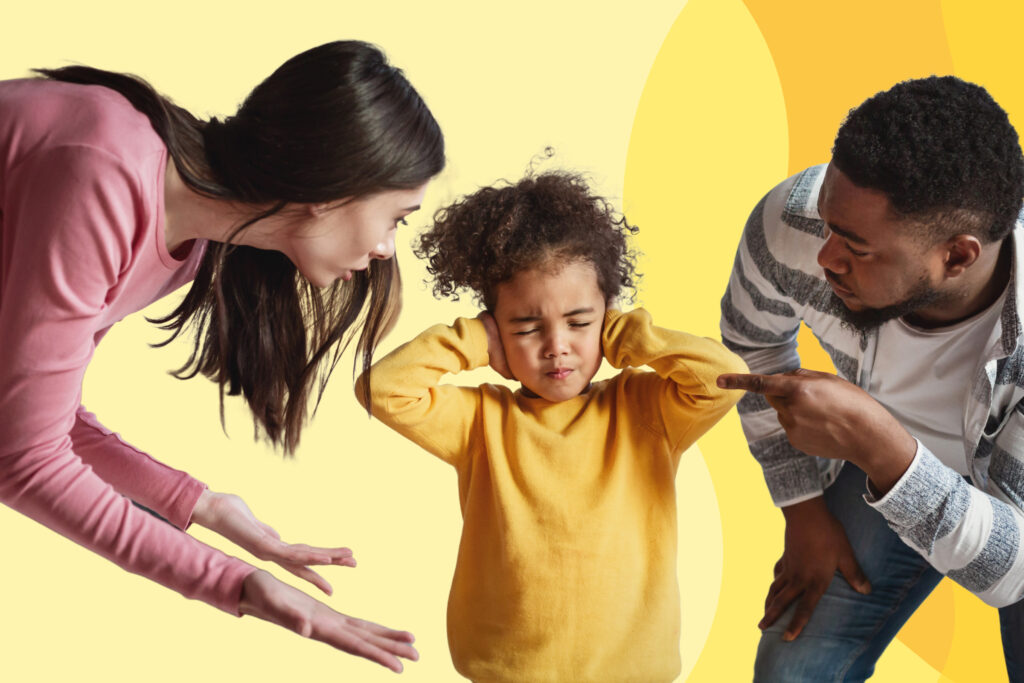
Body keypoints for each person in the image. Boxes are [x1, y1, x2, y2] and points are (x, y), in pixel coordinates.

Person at [0, 40, 444, 672]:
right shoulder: (106, 171)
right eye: (396, 217)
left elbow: (35, 416)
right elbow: (23, 458)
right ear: (331, 189)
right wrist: (238, 584)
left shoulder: (186, 242)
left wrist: (203, 505)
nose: (386, 249)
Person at [356, 170, 746, 682]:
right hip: (506, 671)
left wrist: (632, 337)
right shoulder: (481, 422)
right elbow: (382, 389)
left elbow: (725, 379)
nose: (556, 345)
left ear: (606, 319)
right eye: (526, 327)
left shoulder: (645, 412)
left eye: (580, 323)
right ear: (498, 328)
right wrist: (475, 340)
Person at [716, 76, 1024, 681]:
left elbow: (1012, 572)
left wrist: (875, 443)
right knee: (790, 670)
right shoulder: (799, 222)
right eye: (829, 224)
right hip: (887, 464)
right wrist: (803, 508)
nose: (825, 255)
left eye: (856, 247)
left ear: (958, 256)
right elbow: (752, 342)